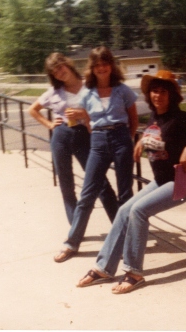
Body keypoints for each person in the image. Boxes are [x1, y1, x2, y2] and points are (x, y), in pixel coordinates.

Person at [75, 70, 186, 294]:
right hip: (161, 180)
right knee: (124, 210)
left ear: (172, 95)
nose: (157, 96)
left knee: (138, 211)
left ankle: (134, 273)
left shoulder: (181, 118)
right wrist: (141, 140)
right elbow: (156, 133)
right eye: (154, 91)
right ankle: (104, 268)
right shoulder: (155, 117)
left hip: (181, 182)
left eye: (162, 91)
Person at [53, 46, 138, 263]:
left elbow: (133, 118)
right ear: (92, 67)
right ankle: (72, 242)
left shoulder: (123, 90)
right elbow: (87, 119)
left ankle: (127, 240)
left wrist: (127, 141)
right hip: (98, 141)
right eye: (97, 65)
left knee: (125, 193)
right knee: (88, 193)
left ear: (111, 65)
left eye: (105, 63)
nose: (101, 68)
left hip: (121, 139)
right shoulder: (88, 92)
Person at [28, 52, 119, 246]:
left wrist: (84, 115)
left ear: (67, 65)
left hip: (86, 136)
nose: (59, 73)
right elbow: (32, 109)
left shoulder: (89, 84)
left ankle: (120, 225)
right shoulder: (54, 91)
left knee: (100, 183)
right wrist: (50, 124)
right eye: (54, 71)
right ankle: (75, 229)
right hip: (61, 136)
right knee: (66, 185)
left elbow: (103, 109)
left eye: (60, 67)